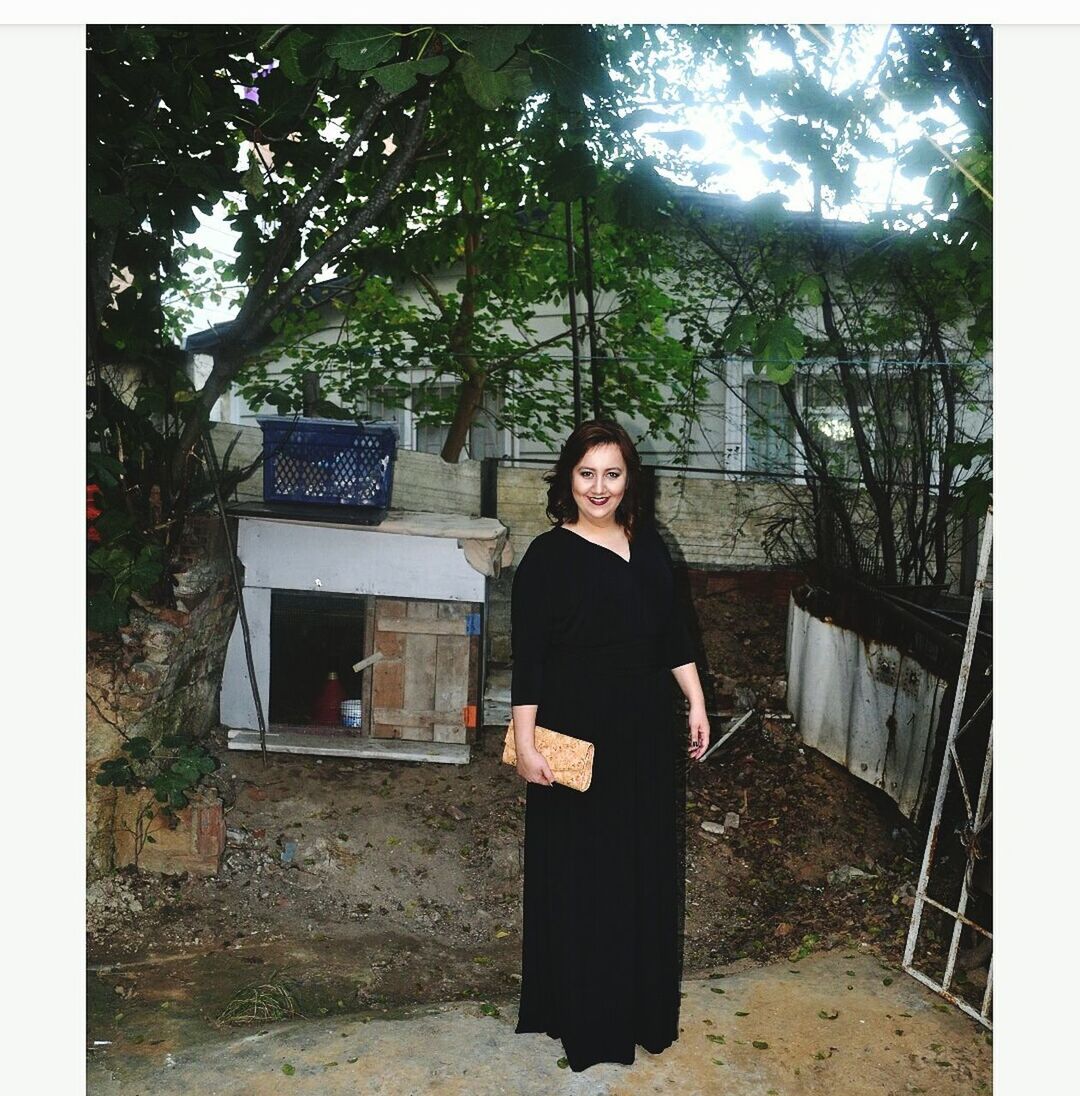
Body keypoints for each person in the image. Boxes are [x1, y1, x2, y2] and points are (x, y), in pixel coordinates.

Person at [510, 419, 710, 1072]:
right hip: (575, 735)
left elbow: (672, 637)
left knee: (641, 872)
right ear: (568, 478)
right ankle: (585, 1022)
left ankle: (640, 1013)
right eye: (587, 473)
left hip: (646, 736)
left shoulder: (648, 546)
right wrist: (525, 741)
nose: (600, 487)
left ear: (630, 479)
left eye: (613, 473)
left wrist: (697, 701)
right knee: (583, 878)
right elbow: (530, 660)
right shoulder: (547, 556)